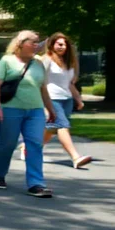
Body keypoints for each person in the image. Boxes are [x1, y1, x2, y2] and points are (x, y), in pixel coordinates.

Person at [0, 30, 55, 197]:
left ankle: (36, 184)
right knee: (8, 144)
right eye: (33, 42)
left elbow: (43, 88)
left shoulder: (38, 64)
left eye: (38, 42)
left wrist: (51, 109)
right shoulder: (7, 61)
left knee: (35, 144)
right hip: (11, 109)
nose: (37, 45)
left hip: (35, 110)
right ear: (20, 44)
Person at [39, 32, 92, 169]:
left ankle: (29, 148)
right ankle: (76, 157)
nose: (62, 47)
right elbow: (40, 82)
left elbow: (69, 83)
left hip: (66, 99)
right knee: (62, 126)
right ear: (52, 44)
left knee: (51, 129)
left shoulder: (67, 62)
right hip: (52, 98)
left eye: (65, 44)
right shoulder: (46, 59)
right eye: (59, 44)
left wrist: (78, 99)